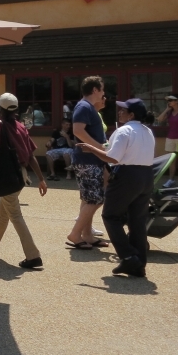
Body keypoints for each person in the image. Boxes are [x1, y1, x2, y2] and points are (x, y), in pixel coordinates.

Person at [79, 99, 156, 278]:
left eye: (124, 110)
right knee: (137, 220)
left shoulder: (124, 131)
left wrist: (91, 148)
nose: (120, 112)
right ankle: (139, 264)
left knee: (110, 216)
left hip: (126, 176)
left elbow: (112, 158)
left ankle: (129, 256)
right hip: (146, 176)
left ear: (132, 114)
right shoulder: (148, 132)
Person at [0, 93, 48, 269]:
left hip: (6, 175)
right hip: (20, 175)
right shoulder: (21, 127)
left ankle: (33, 256)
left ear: (0, 109)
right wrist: (41, 178)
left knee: (15, 215)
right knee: (3, 213)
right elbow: (30, 156)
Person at [67, 76, 109, 250]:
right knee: (95, 199)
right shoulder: (84, 106)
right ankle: (75, 234)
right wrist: (98, 147)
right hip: (88, 160)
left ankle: (87, 235)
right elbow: (77, 130)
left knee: (89, 198)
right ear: (95, 90)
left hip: (90, 160)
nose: (104, 93)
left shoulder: (88, 107)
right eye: (102, 89)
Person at [156, 94, 178, 188]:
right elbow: (159, 119)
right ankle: (171, 180)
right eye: (168, 100)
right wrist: (167, 109)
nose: (169, 102)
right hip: (170, 138)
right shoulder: (169, 112)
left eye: (171, 100)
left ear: (177, 101)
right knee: (171, 160)